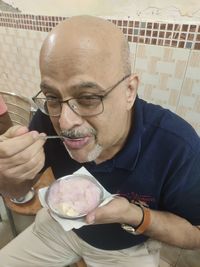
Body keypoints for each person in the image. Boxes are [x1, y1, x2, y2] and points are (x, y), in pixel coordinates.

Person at [0, 15, 200, 267]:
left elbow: (196, 233)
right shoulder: (45, 119)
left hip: (125, 248)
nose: (64, 121)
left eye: (87, 98)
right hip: (60, 229)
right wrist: (8, 175)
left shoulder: (177, 146)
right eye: (52, 96)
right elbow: (16, 191)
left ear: (129, 91)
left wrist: (134, 215)